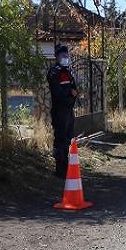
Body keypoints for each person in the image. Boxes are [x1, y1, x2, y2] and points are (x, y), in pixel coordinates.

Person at [46, 44, 78, 178]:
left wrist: (73, 93)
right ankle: (60, 170)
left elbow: (74, 89)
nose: (66, 57)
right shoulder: (55, 72)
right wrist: (70, 93)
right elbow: (58, 92)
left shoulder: (67, 71)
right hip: (60, 111)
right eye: (63, 55)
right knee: (60, 140)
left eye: (67, 55)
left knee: (68, 139)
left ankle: (66, 169)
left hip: (68, 110)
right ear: (57, 57)